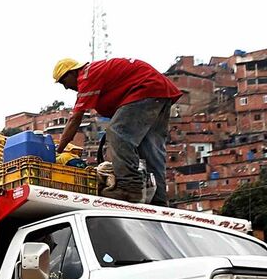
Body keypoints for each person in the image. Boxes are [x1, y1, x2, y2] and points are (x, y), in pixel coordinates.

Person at [52, 56, 182, 205]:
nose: (66, 87)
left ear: (72, 72)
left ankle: (129, 187)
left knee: (117, 132)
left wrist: (59, 151)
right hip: (159, 92)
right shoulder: (95, 73)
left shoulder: (87, 76)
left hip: (146, 89)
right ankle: (159, 199)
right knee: (151, 149)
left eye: (63, 81)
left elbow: (75, 119)